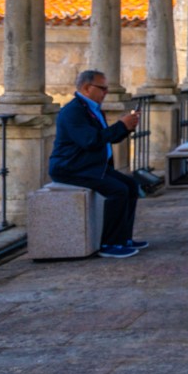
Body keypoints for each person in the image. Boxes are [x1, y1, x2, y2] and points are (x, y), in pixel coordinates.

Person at [48, 70, 143, 258]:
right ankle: (110, 244)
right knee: (118, 190)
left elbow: (105, 138)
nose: (106, 92)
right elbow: (89, 141)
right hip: (72, 168)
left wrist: (126, 128)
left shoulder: (92, 108)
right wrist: (121, 125)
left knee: (131, 185)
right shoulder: (73, 111)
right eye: (102, 88)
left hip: (92, 166)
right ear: (86, 88)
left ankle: (124, 238)